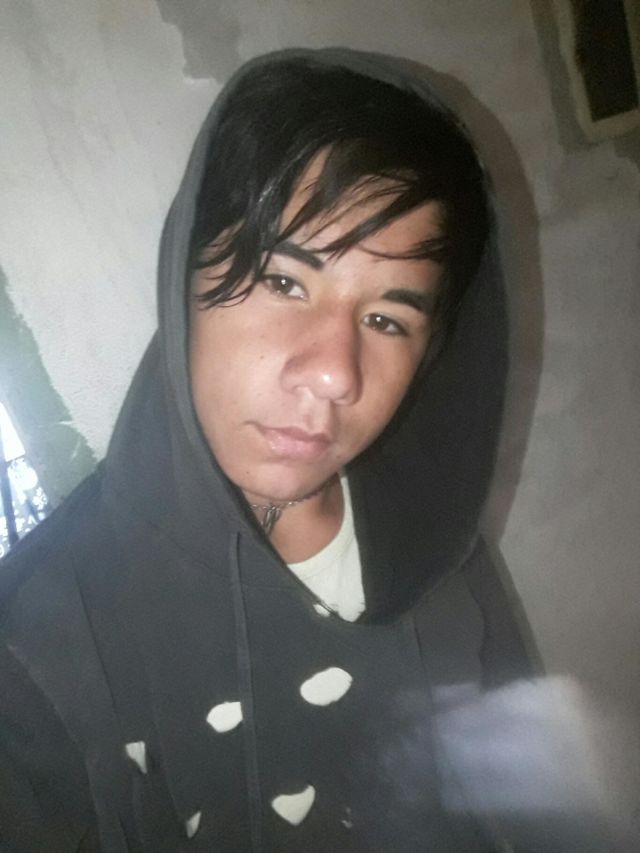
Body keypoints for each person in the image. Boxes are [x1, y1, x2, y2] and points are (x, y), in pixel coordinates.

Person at [0, 48, 538, 851]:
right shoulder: (38, 650)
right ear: (181, 273)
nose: (334, 372)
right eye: (284, 280)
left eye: (387, 319)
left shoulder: (434, 543)